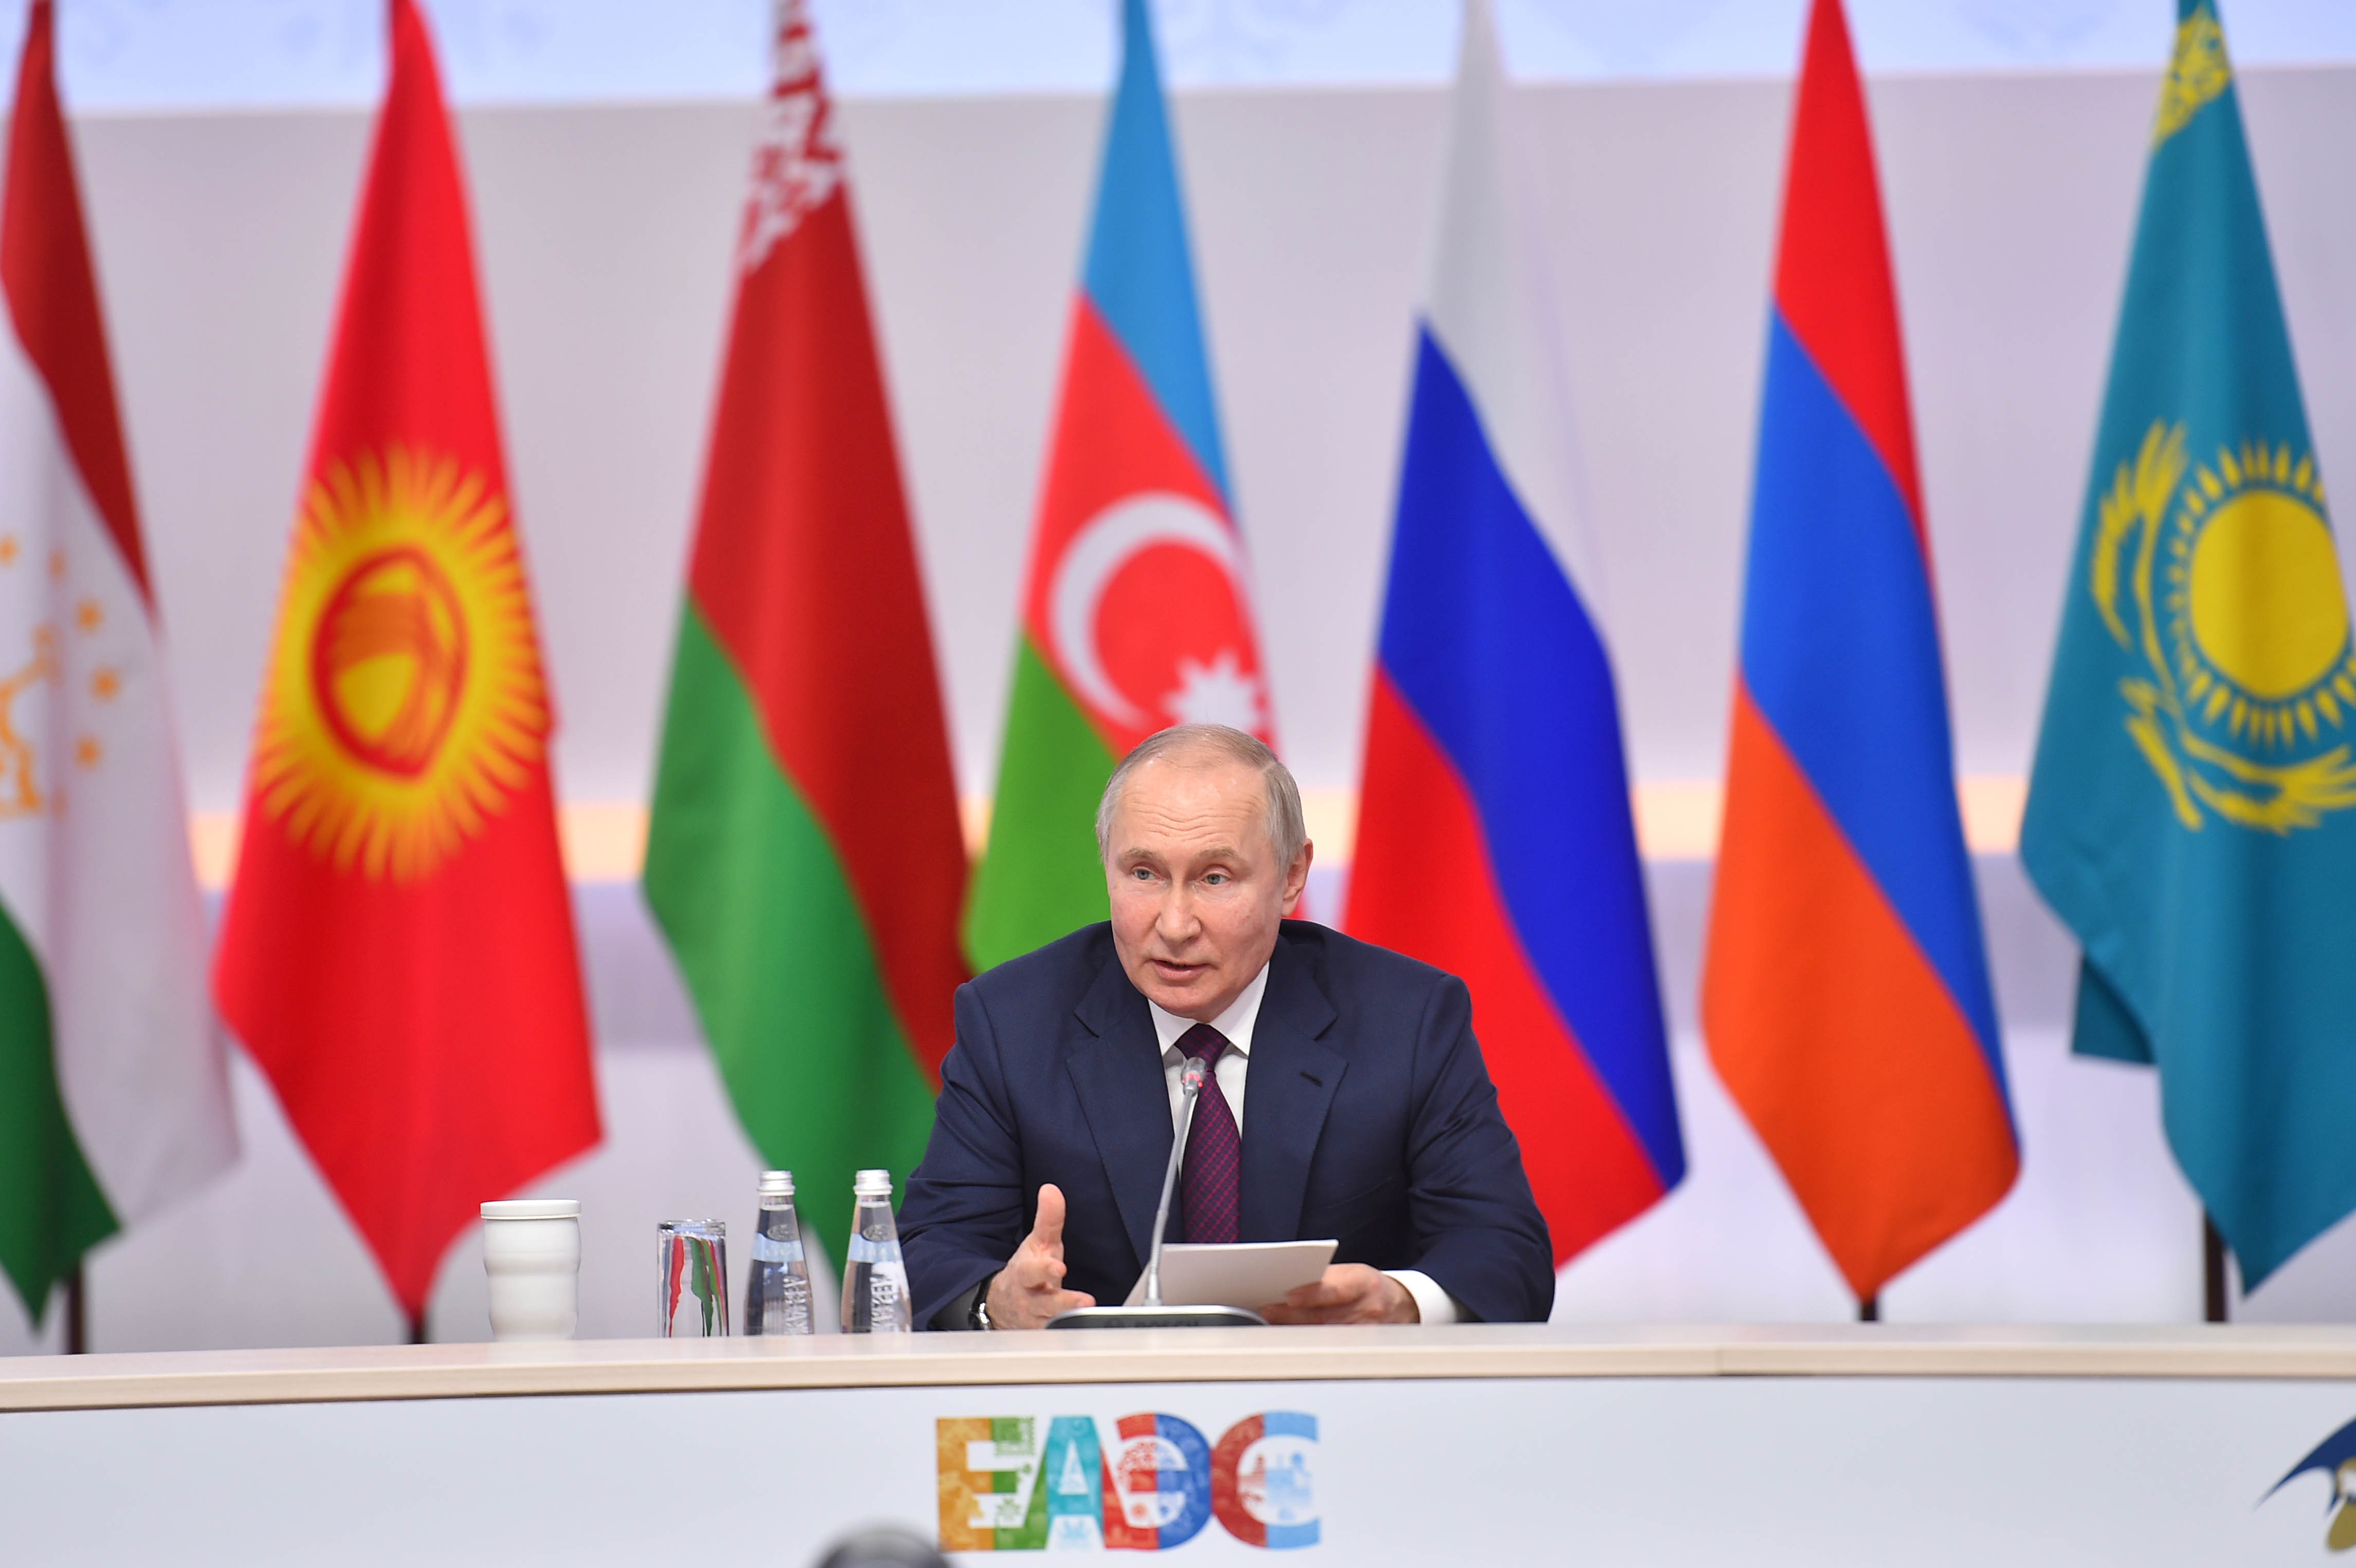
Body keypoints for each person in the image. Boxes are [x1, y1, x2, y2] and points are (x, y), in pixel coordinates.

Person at [899, 724, 1554, 1329]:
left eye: (1214, 877)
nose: (1174, 924)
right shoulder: (1012, 1022)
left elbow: (1504, 1252)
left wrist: (1401, 1301)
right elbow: (927, 1254)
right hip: (1100, 1403)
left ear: (1291, 876)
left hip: (1332, 1398)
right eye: (1144, 873)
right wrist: (993, 1302)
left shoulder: (1406, 1018)